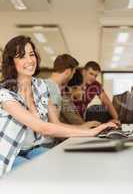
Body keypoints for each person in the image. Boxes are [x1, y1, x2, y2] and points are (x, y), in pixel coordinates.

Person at [0, 35, 117, 177]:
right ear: (12, 62)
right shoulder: (5, 93)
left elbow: (55, 122)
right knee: (35, 175)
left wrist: (91, 130)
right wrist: (90, 132)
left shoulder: (42, 86)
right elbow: (42, 127)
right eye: (22, 56)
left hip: (32, 148)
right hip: (10, 151)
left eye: (31, 54)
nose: (30, 60)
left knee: (65, 167)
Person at [45, 58, 100, 127]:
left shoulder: (51, 88)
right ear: (68, 72)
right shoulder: (56, 92)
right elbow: (54, 126)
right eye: (82, 89)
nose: (83, 92)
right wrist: (84, 126)